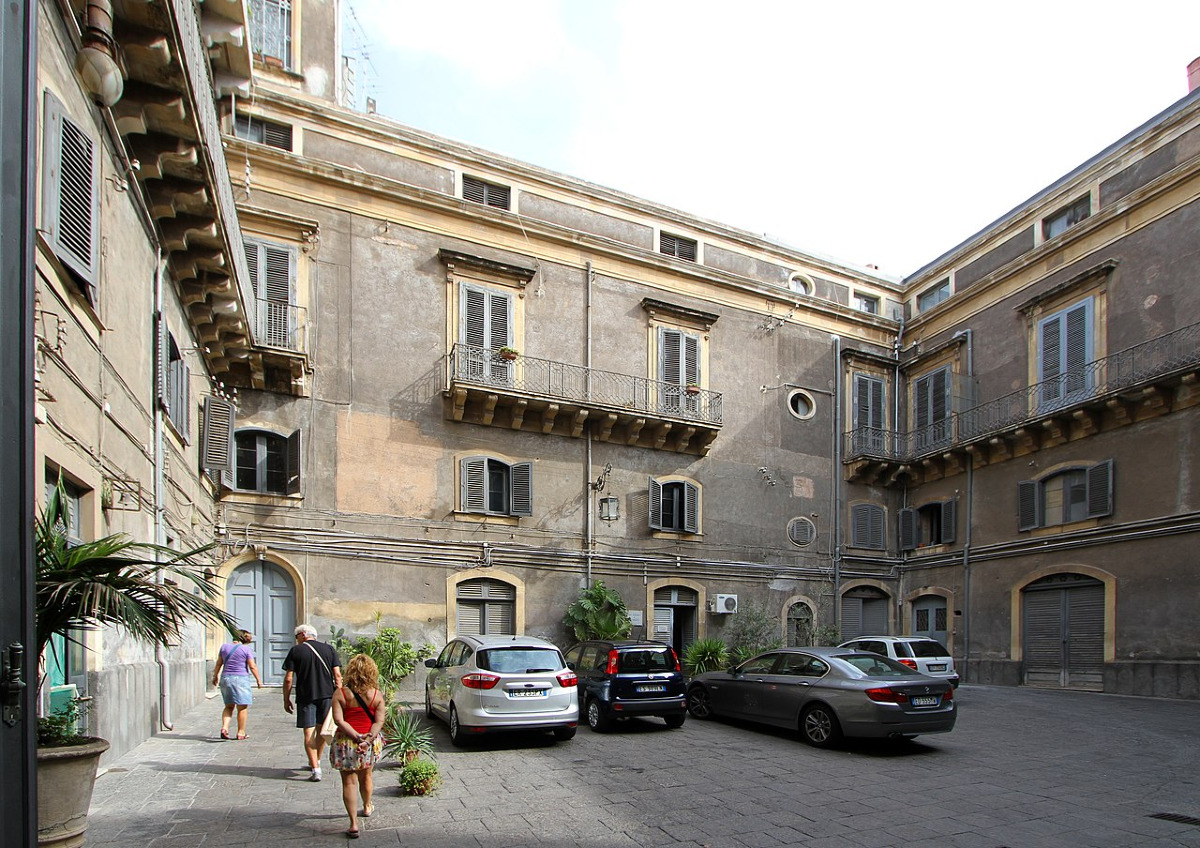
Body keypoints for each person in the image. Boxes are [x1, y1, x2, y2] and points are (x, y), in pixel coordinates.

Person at [329, 654, 385, 839]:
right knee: (366, 776)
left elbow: (338, 720)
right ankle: (367, 806)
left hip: (346, 742)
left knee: (349, 782)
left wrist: (356, 736)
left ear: (350, 671)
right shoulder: (376, 694)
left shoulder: (341, 694)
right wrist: (367, 740)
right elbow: (379, 721)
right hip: (368, 743)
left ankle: (353, 823)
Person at [282, 623, 342, 781]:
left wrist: (286, 698)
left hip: (305, 696)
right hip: (327, 695)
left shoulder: (296, 651)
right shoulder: (329, 649)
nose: (296, 640)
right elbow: (337, 675)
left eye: (296, 637)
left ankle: (315, 768)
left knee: (308, 732)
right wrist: (339, 694)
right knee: (322, 730)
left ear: (303, 634)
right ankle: (316, 760)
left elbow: (289, 679)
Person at [211, 629, 263, 740]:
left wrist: (215, 676)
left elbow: (219, 663)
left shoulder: (224, 647)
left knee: (229, 706)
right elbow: (252, 666)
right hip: (240, 679)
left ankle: (224, 727)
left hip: (226, 678)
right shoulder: (246, 649)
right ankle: (241, 732)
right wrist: (258, 680)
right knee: (242, 707)